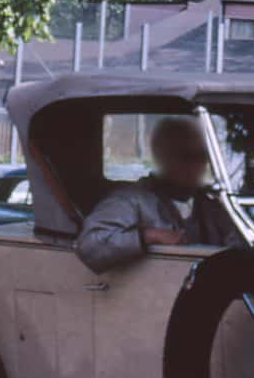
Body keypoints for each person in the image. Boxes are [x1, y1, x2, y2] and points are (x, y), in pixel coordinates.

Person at [76, 117, 237, 273]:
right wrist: (148, 236)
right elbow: (90, 246)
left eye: (201, 157)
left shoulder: (211, 206)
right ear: (162, 156)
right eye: (185, 157)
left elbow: (238, 247)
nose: (196, 165)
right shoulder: (130, 200)